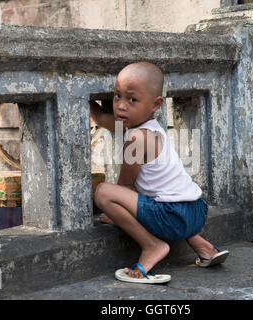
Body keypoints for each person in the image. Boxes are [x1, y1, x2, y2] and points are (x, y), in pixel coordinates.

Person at [89, 61, 228, 284]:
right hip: (197, 211)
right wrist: (90, 105)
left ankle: (152, 246)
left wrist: (115, 216)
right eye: (117, 96)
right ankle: (204, 247)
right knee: (164, 196)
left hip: (172, 217)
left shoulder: (136, 139)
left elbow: (123, 187)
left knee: (104, 192)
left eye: (132, 99)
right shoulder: (149, 126)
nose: (121, 106)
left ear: (156, 104)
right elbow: (103, 119)